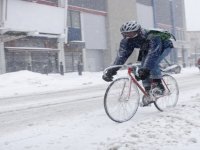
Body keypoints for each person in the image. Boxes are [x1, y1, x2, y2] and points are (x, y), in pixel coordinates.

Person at [102, 20, 174, 95]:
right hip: (146, 48)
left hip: (163, 46)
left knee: (152, 64)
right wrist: (112, 70)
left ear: (138, 32)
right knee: (141, 68)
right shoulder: (127, 41)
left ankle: (159, 86)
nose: (129, 36)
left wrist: (146, 69)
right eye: (125, 34)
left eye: (131, 33)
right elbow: (121, 57)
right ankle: (148, 92)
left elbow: (153, 54)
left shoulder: (152, 36)